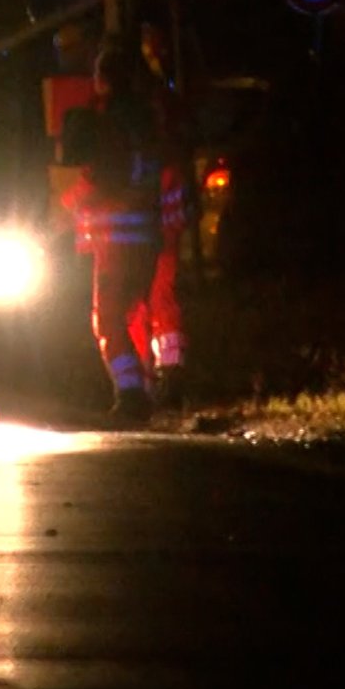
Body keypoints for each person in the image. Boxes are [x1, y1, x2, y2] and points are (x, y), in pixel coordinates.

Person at [60, 40, 163, 425]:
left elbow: (99, 176)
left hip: (116, 237)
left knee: (107, 319)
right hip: (147, 234)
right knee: (137, 314)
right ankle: (146, 390)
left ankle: (130, 393)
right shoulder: (147, 120)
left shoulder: (106, 121)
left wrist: (70, 203)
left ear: (103, 79)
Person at [137, 22, 195, 408]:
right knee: (160, 297)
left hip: (144, 222)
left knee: (140, 301)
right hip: (160, 222)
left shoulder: (141, 104)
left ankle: (149, 379)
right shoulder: (164, 100)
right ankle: (165, 375)